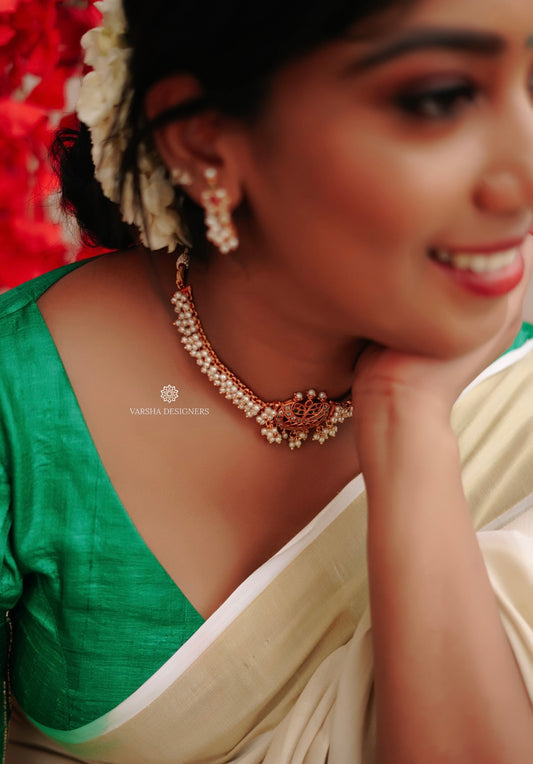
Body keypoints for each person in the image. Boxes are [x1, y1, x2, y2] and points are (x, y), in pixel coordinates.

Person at [2, 0, 533, 760]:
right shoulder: (19, 405)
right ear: (205, 141)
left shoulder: (516, 405)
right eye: (439, 101)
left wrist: (409, 424)